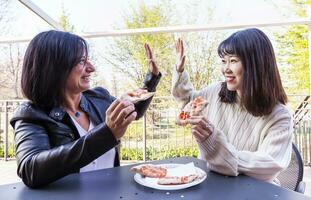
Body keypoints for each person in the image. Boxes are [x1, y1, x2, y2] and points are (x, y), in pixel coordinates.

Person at [10, 30, 161, 188]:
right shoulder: (31, 114)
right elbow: (30, 170)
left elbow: (133, 111)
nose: (91, 68)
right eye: (82, 61)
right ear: (55, 67)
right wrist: (107, 133)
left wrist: (152, 79)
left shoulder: (99, 98)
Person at [171, 28, 293, 183]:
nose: (225, 69)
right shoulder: (216, 92)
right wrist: (180, 71)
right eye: (223, 61)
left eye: (233, 61)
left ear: (256, 65)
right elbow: (188, 102)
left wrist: (215, 144)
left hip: (254, 192)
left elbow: (269, 164)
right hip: (210, 183)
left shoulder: (279, 116)